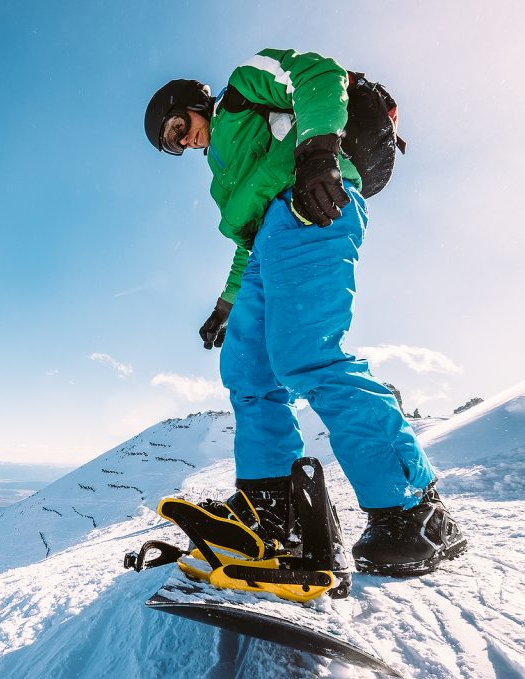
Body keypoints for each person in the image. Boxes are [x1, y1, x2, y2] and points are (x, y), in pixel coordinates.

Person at [143, 48, 467, 577]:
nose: (182, 141)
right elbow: (246, 242)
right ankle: (272, 509)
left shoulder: (244, 87)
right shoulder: (220, 173)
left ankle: (413, 511)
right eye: (172, 145)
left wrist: (318, 154)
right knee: (247, 373)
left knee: (307, 357)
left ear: (191, 102)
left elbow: (319, 74)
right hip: (265, 245)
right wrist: (226, 305)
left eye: (178, 126)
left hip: (310, 205)